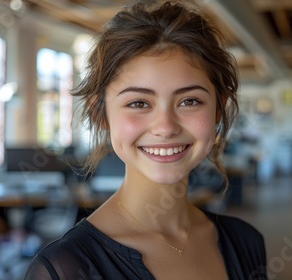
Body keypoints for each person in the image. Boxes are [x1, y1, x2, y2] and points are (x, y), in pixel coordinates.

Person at [24, 2, 267, 279]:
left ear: (217, 110)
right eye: (139, 103)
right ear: (100, 113)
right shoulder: (64, 268)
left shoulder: (247, 243)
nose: (165, 127)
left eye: (189, 101)